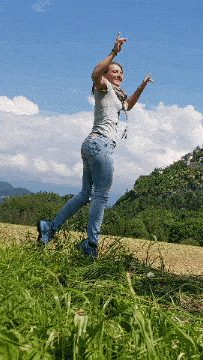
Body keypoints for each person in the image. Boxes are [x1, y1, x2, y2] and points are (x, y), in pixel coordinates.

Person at [37, 33, 154, 258]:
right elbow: (94, 73)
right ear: (107, 74)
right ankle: (91, 246)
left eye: (121, 73)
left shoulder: (116, 96)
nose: (119, 75)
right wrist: (114, 52)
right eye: (115, 71)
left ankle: (50, 227)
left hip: (91, 145)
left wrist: (141, 87)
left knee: (85, 195)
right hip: (101, 146)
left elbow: (127, 105)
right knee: (101, 196)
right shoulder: (103, 87)